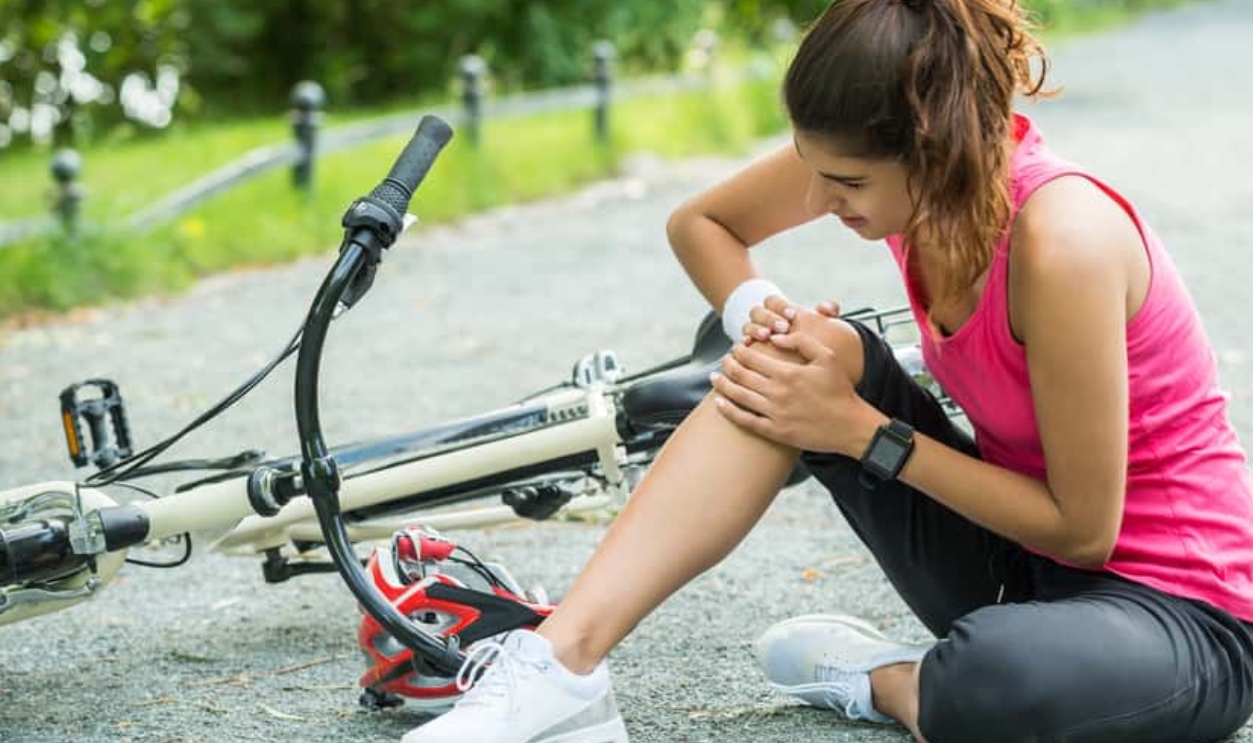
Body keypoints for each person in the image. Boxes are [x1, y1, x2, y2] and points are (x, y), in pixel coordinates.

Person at [403, 0, 1253, 741]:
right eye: (816, 173)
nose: (823, 200)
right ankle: (560, 670)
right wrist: (763, 319)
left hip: (1181, 617)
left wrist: (860, 433)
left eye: (846, 184)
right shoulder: (884, 167)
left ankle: (893, 682)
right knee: (792, 360)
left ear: (938, 151)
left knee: (992, 678)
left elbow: (1082, 530)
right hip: (1017, 568)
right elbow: (702, 222)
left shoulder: (1061, 241)